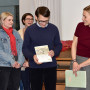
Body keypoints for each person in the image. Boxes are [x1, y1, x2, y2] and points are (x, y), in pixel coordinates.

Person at [22, 6, 62, 90]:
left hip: (50, 67)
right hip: (35, 67)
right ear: (36, 17)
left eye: (46, 21)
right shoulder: (29, 30)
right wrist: (33, 56)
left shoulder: (54, 28)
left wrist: (54, 52)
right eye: (41, 21)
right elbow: (25, 48)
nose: (44, 23)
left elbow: (58, 44)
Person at [65, 5, 90, 90]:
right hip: (76, 61)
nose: (82, 18)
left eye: (85, 16)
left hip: (88, 64)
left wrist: (80, 65)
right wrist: (74, 61)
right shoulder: (80, 26)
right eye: (82, 15)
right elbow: (74, 44)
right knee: (72, 87)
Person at [0, 12, 25, 90]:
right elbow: (0, 51)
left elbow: (21, 47)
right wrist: (11, 61)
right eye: (9, 20)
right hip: (4, 65)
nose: (12, 22)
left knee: (14, 87)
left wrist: (20, 62)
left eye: (12, 20)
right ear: (2, 21)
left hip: (16, 65)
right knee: (3, 87)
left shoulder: (15, 32)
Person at [18, 13, 34, 90]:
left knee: (34, 84)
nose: (30, 21)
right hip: (23, 64)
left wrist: (30, 62)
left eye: (31, 19)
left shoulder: (36, 32)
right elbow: (17, 49)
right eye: (28, 19)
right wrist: (22, 62)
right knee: (24, 85)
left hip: (34, 62)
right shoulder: (18, 33)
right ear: (23, 21)